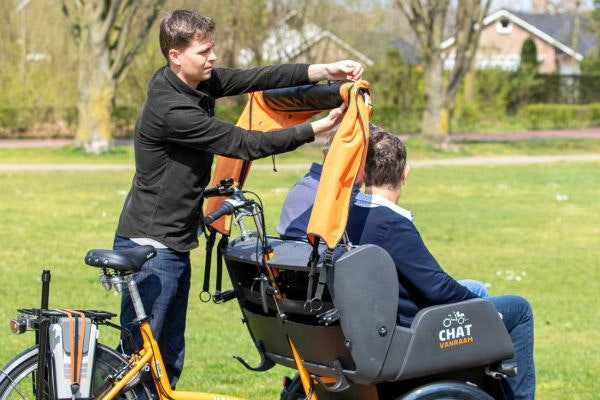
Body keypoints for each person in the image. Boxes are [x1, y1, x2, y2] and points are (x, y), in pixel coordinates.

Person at [112, 9, 364, 388]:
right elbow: (244, 143)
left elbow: (257, 78)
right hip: (152, 246)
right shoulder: (172, 110)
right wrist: (313, 129)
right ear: (175, 55)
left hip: (172, 243)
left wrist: (325, 69)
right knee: (138, 365)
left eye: (212, 49)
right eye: (203, 52)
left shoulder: (189, 84)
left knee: (167, 360)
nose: (212, 58)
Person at [345, 129, 535, 399]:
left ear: (363, 172)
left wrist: (474, 300)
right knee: (518, 309)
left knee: (476, 288)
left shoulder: (353, 214)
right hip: (412, 331)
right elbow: (438, 288)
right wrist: (481, 312)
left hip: (382, 316)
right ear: (405, 173)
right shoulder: (391, 224)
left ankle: (480, 378)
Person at [277, 124, 487, 297]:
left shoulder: (307, 188)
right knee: (478, 291)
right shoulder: (340, 205)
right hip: (356, 304)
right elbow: (435, 287)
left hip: (320, 298)